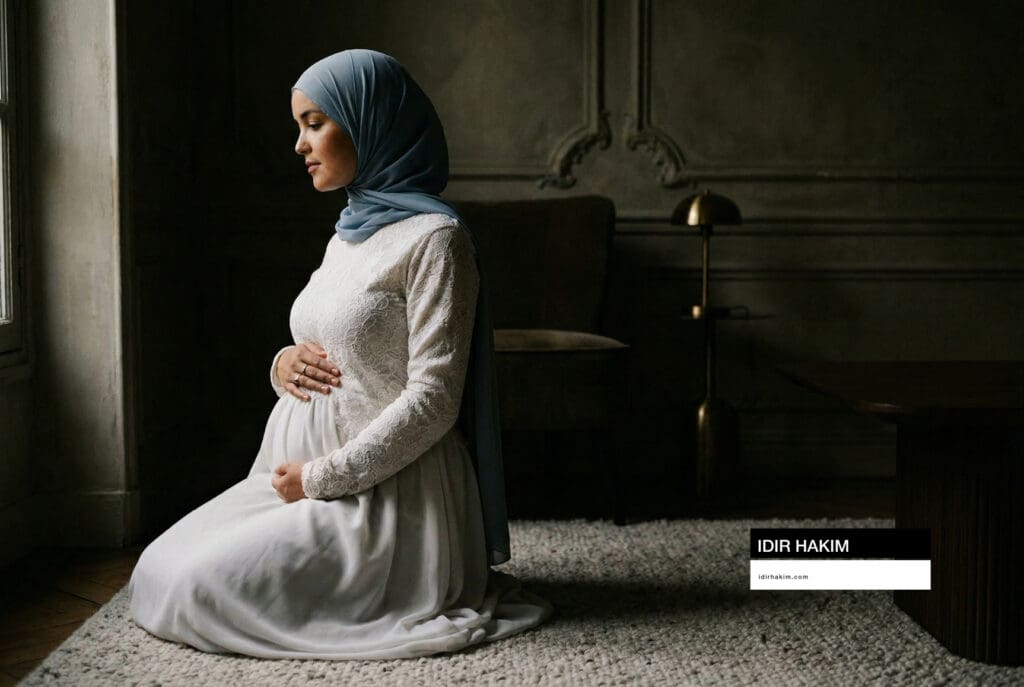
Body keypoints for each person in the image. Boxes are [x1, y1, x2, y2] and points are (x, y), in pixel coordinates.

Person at [127, 49, 553, 660]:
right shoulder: (349, 233)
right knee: (158, 568)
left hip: (387, 497)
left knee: (196, 590)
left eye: (315, 123)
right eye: (299, 124)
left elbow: (434, 400)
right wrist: (282, 364)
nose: (299, 144)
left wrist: (321, 479)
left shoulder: (438, 241)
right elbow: (330, 342)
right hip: (293, 477)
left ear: (371, 121)